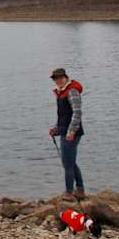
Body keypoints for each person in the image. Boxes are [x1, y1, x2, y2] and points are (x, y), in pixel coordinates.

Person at [48, 67, 85, 198]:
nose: (57, 80)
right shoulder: (60, 92)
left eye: (59, 78)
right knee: (70, 162)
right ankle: (80, 189)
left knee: (67, 163)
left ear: (65, 77)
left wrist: (71, 132)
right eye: (55, 78)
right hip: (65, 131)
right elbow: (63, 116)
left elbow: (77, 112)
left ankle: (69, 192)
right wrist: (56, 128)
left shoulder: (72, 91)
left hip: (72, 133)